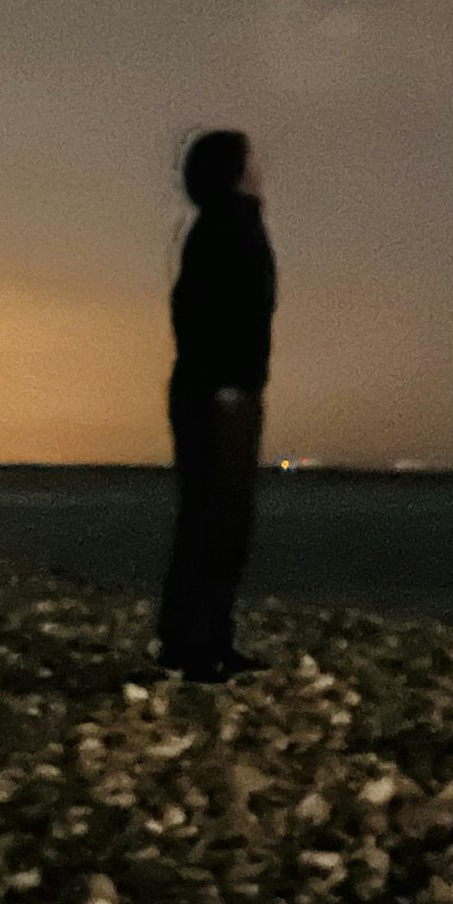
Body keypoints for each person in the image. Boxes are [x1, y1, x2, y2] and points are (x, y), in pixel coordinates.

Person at [158, 128, 274, 682]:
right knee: (217, 518)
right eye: (252, 159)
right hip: (220, 393)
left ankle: (201, 638)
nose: (261, 166)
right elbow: (200, 310)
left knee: (217, 517)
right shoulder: (227, 227)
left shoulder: (228, 223)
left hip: (222, 388)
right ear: (233, 168)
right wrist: (226, 383)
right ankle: (197, 645)